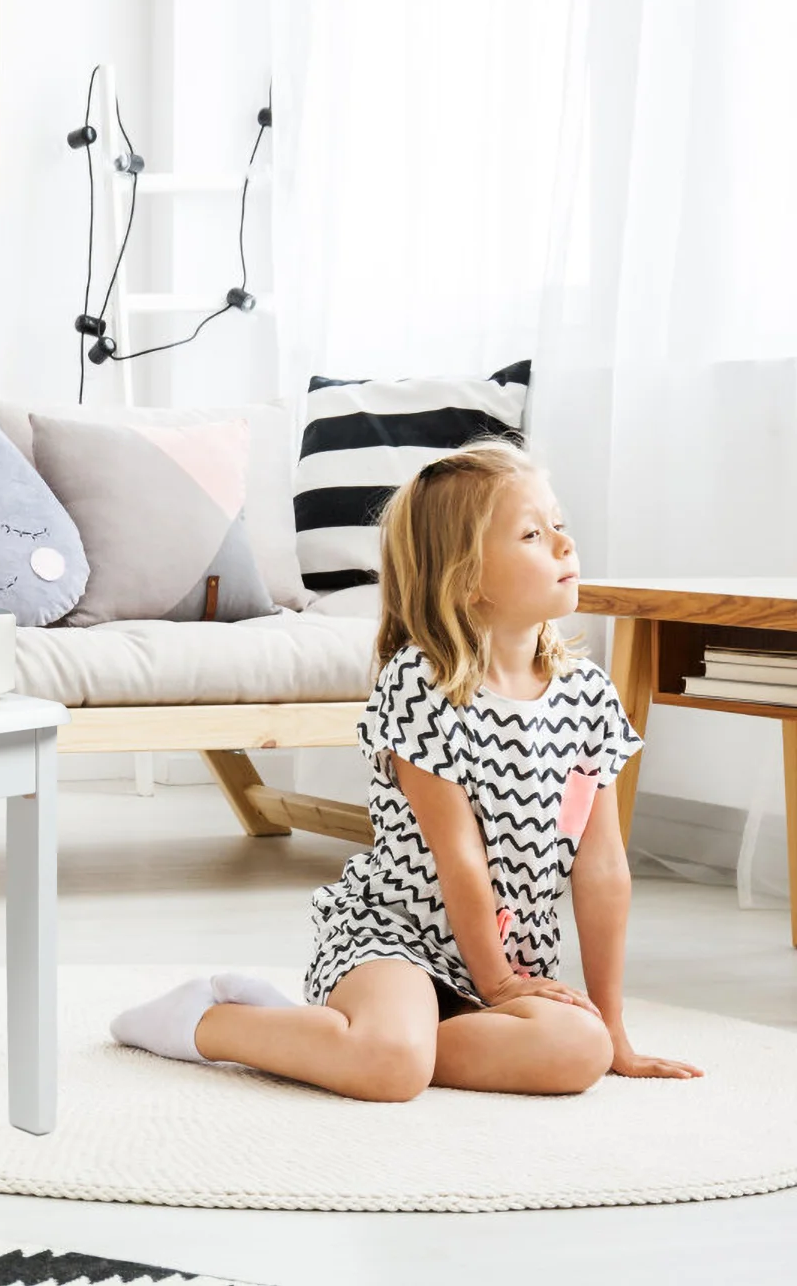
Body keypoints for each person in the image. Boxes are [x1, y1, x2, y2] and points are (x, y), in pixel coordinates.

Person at [110, 440, 703, 1099]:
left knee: (581, 1051)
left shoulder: (588, 696)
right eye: (533, 534)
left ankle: (352, 1039)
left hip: (507, 964)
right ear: (467, 579)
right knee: (391, 1070)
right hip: (395, 940)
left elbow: (603, 871)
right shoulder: (423, 688)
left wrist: (613, 1029)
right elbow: (460, 859)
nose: (564, 546)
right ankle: (210, 1021)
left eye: (559, 524)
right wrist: (499, 986)